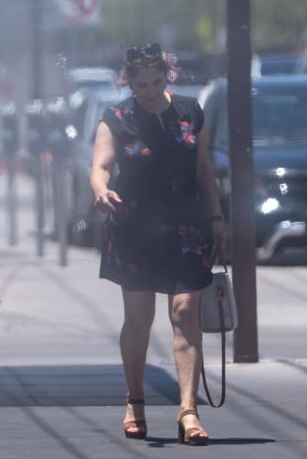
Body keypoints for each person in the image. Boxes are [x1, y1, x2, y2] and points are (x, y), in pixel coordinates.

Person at [90, 43, 225, 445]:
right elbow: (100, 166)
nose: (149, 91)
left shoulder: (189, 112)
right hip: (135, 226)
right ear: (127, 80)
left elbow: (204, 169)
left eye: (156, 82)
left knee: (185, 312)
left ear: (168, 75)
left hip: (187, 223)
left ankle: (189, 411)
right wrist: (100, 191)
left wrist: (217, 217)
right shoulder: (116, 117)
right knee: (139, 318)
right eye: (140, 84)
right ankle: (135, 401)